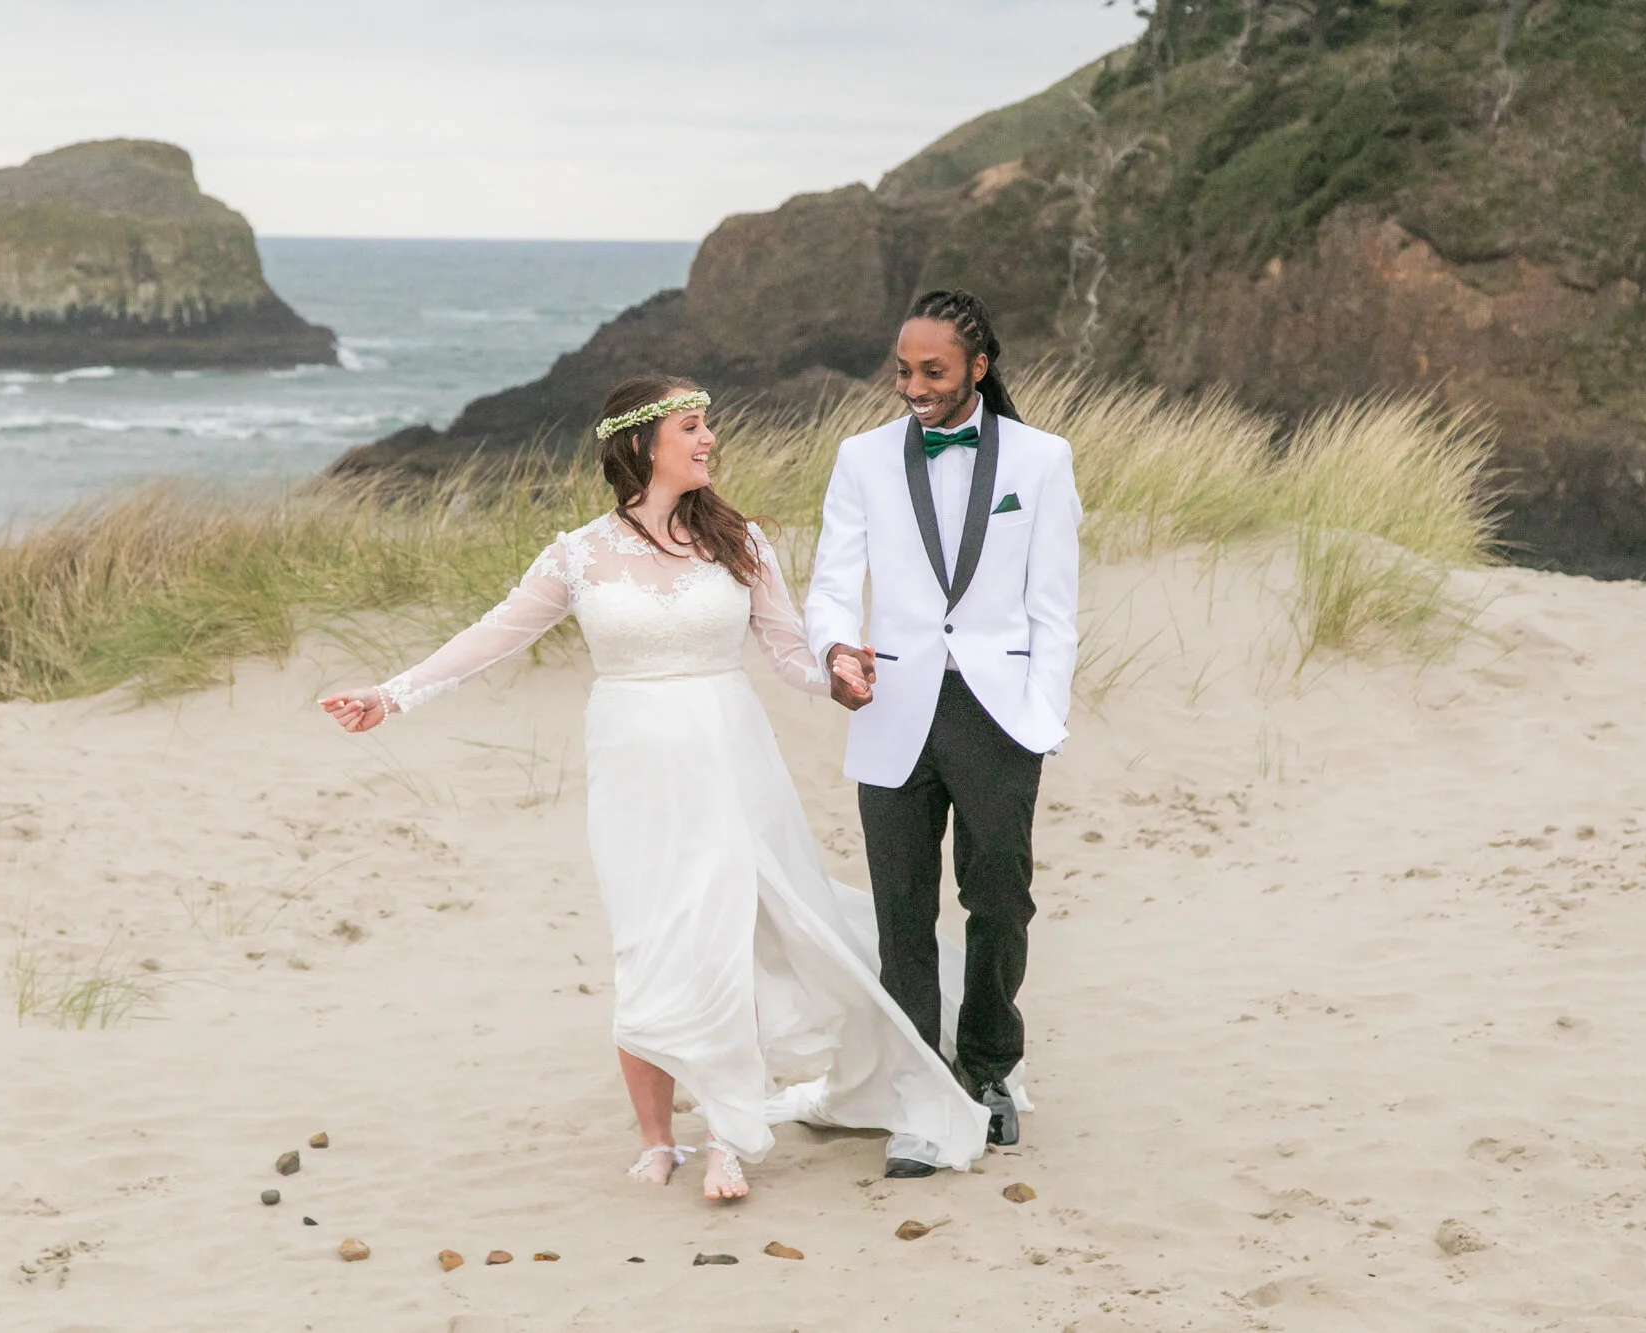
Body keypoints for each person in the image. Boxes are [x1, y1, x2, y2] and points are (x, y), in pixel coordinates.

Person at [318, 375, 990, 1203]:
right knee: (648, 940)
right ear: (640, 445)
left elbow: (787, 653)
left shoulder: (739, 540)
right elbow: (491, 635)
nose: (709, 438)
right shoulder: (578, 554)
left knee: (724, 938)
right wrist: (392, 693)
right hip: (635, 769)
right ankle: (656, 1136)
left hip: (731, 759)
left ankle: (728, 1136)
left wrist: (837, 671)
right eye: (691, 426)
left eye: (708, 425)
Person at [805, 290, 1082, 1178]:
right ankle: (921, 1090)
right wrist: (835, 652)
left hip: (997, 713)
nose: (912, 386)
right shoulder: (860, 459)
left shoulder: (1042, 460)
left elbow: (1055, 607)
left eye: (932, 371)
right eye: (902, 369)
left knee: (1000, 900)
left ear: (977, 368)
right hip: (890, 704)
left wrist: (1041, 716)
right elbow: (832, 583)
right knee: (902, 914)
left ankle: (992, 1066)